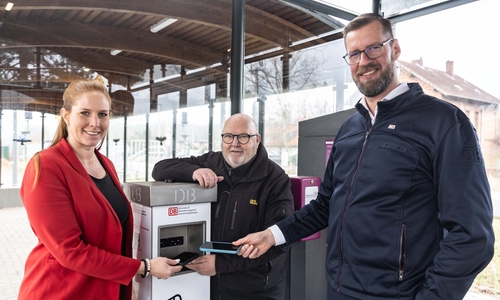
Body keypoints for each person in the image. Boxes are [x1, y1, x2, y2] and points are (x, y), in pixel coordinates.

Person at [234, 13, 495, 300]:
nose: (364, 61)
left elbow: (472, 236)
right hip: (339, 290)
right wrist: (272, 235)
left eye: (374, 48)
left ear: (394, 49)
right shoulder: (349, 129)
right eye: (355, 53)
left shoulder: (444, 122)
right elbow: (325, 206)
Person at [19, 79, 182, 300]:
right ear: (66, 116)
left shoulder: (106, 164)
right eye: (85, 113)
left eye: (102, 114)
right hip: (62, 291)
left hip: (106, 290)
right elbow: (70, 251)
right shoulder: (46, 166)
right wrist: (145, 267)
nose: (95, 123)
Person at [152, 113, 295, 300]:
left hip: (257, 290)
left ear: (257, 140)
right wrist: (193, 171)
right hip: (212, 285)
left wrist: (221, 264)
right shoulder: (212, 162)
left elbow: (280, 239)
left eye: (243, 137)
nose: (234, 143)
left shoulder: (275, 180)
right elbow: (160, 168)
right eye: (228, 136)